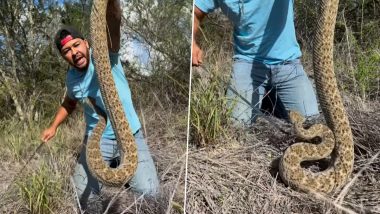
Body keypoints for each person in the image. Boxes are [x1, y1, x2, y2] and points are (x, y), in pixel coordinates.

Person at [40, 0, 159, 209]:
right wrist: (53, 126)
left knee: (150, 195)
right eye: (67, 50)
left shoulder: (106, 56)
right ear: (63, 56)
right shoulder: (71, 79)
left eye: (76, 45)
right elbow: (69, 103)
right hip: (97, 137)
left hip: (128, 133)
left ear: (86, 42)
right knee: (83, 197)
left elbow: (113, 23)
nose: (74, 52)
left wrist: (110, 3)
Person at [192, 0, 319, 125]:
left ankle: (268, 100)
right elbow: (195, 13)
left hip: (288, 63)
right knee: (236, 126)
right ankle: (264, 98)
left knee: (309, 124)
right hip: (247, 61)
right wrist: (192, 42)